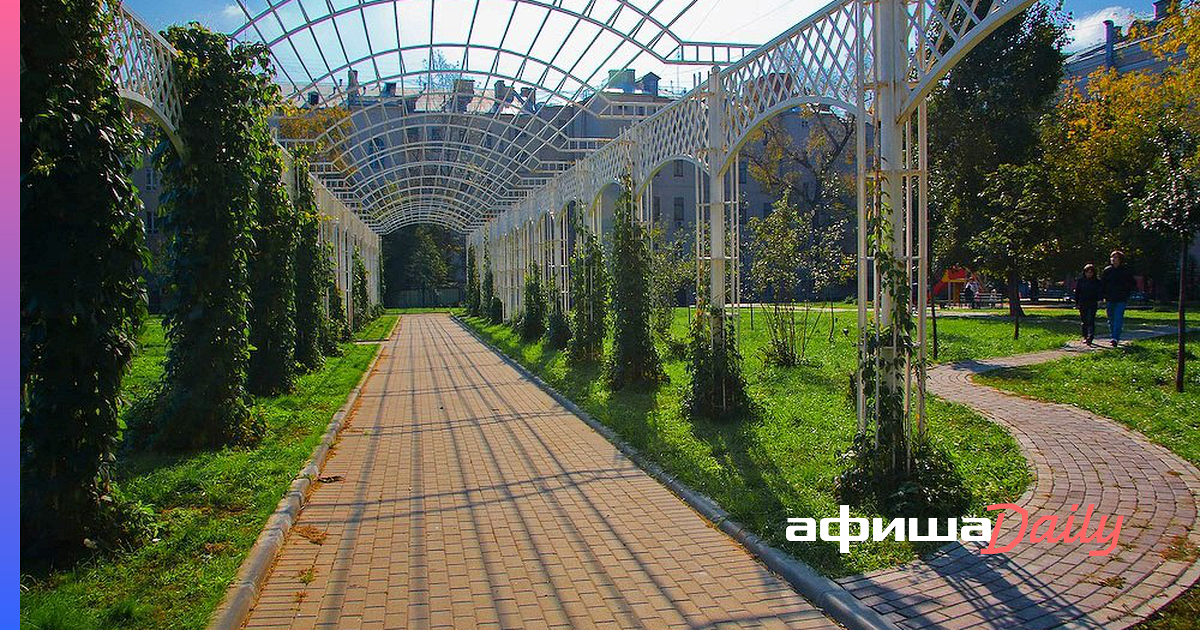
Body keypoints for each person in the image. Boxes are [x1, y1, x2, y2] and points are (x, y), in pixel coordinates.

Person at [1100, 250, 1136, 346]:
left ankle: (1115, 338)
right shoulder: (1107, 270)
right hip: (1109, 298)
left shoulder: (1125, 271)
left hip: (1121, 298)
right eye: (1112, 257)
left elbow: (1132, 283)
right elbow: (1102, 284)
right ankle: (1113, 335)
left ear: (1120, 259)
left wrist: (1127, 292)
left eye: (1116, 257)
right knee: (1111, 318)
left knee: (1118, 318)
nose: (1113, 259)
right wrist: (1102, 296)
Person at [1074, 263, 1101, 345]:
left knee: (1091, 320)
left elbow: (1099, 292)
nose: (1089, 274)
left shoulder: (1097, 282)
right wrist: (1077, 302)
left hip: (1092, 302)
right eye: (1087, 272)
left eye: (1091, 272)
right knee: (1084, 320)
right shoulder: (1081, 281)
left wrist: (1099, 300)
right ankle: (1085, 336)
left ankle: (1091, 336)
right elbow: (1077, 292)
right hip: (1083, 302)